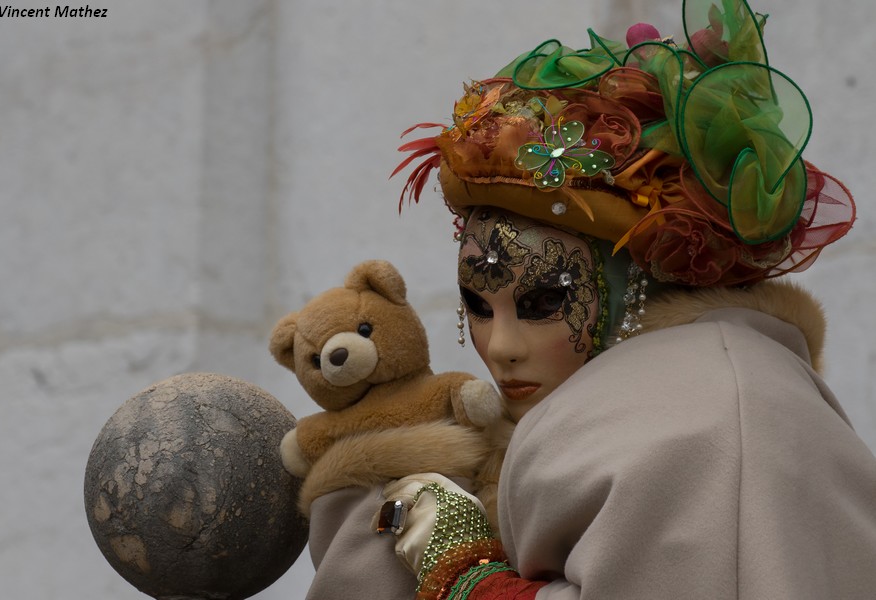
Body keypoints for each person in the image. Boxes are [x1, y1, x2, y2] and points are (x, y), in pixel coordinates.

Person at [303, 0, 876, 598]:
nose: (500, 348)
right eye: (477, 305)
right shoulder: (622, 408)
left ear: (637, 287)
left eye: (543, 302)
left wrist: (466, 576)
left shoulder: (705, 427)